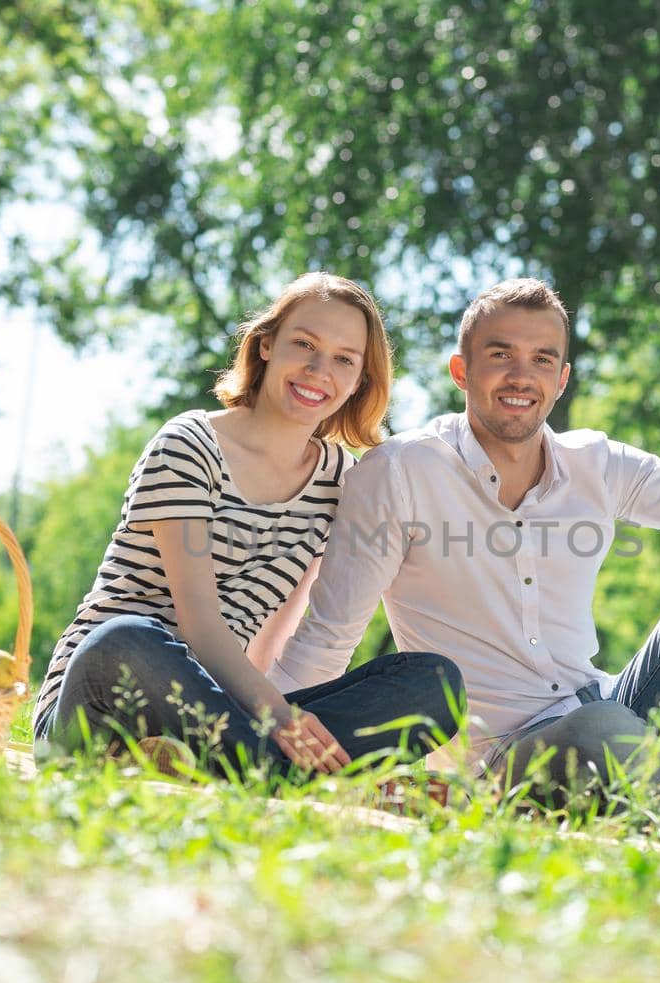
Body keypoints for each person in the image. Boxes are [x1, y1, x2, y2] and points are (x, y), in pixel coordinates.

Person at [268, 278, 660, 834]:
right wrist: (265, 739)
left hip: (614, 711)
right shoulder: (400, 473)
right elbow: (328, 637)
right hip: (505, 761)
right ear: (461, 370)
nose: (520, 376)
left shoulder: (598, 464)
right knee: (602, 730)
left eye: (542, 360)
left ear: (562, 379)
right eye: (500, 355)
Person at [34, 273, 464, 775]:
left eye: (344, 360)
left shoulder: (339, 481)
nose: (318, 370)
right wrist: (281, 719)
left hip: (218, 713)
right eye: (304, 344)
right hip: (102, 694)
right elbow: (198, 625)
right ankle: (268, 770)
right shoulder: (190, 444)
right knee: (126, 638)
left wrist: (279, 713)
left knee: (433, 680)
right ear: (265, 346)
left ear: (359, 382)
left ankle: (246, 766)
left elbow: (273, 632)